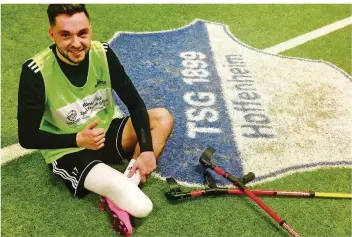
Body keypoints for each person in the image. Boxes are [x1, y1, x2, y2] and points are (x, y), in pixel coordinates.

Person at [17, 4, 174, 235]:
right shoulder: (36, 72)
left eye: (82, 33)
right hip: (69, 150)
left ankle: (124, 186)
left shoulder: (103, 53)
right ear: (52, 34)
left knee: (162, 118)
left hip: (104, 132)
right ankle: (120, 192)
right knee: (142, 206)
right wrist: (78, 139)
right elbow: (27, 138)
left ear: (90, 29)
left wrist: (148, 150)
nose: (76, 43)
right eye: (65, 35)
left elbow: (135, 103)